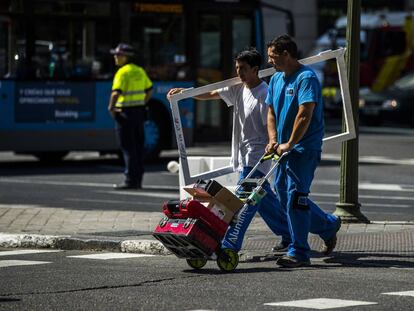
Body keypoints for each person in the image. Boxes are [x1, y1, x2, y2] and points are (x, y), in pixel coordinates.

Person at [167, 48, 290, 251]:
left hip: (259, 156)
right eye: (237, 68)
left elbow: (273, 122)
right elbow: (213, 93)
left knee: (244, 202)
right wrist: (187, 93)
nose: (239, 73)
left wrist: (274, 144)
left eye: (243, 69)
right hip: (244, 155)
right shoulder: (238, 88)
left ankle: (229, 243)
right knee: (265, 200)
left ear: (255, 69)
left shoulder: (265, 93)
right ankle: (295, 232)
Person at [265, 34, 341, 268]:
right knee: (285, 195)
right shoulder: (277, 79)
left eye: (273, 56)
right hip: (283, 149)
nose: (270, 61)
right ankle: (328, 225)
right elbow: (271, 112)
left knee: (296, 197)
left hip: (303, 148)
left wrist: (290, 143)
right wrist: (274, 140)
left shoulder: (306, 78)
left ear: (286, 54)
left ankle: (298, 251)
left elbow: (304, 113)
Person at [108, 43, 153, 190]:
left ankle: (129, 181)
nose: (115, 57)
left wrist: (111, 108)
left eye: (118, 55)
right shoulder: (139, 71)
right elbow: (149, 90)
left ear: (125, 57)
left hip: (125, 114)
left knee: (127, 148)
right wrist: (141, 103)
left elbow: (116, 92)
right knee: (138, 147)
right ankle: (138, 180)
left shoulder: (122, 72)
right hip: (139, 113)